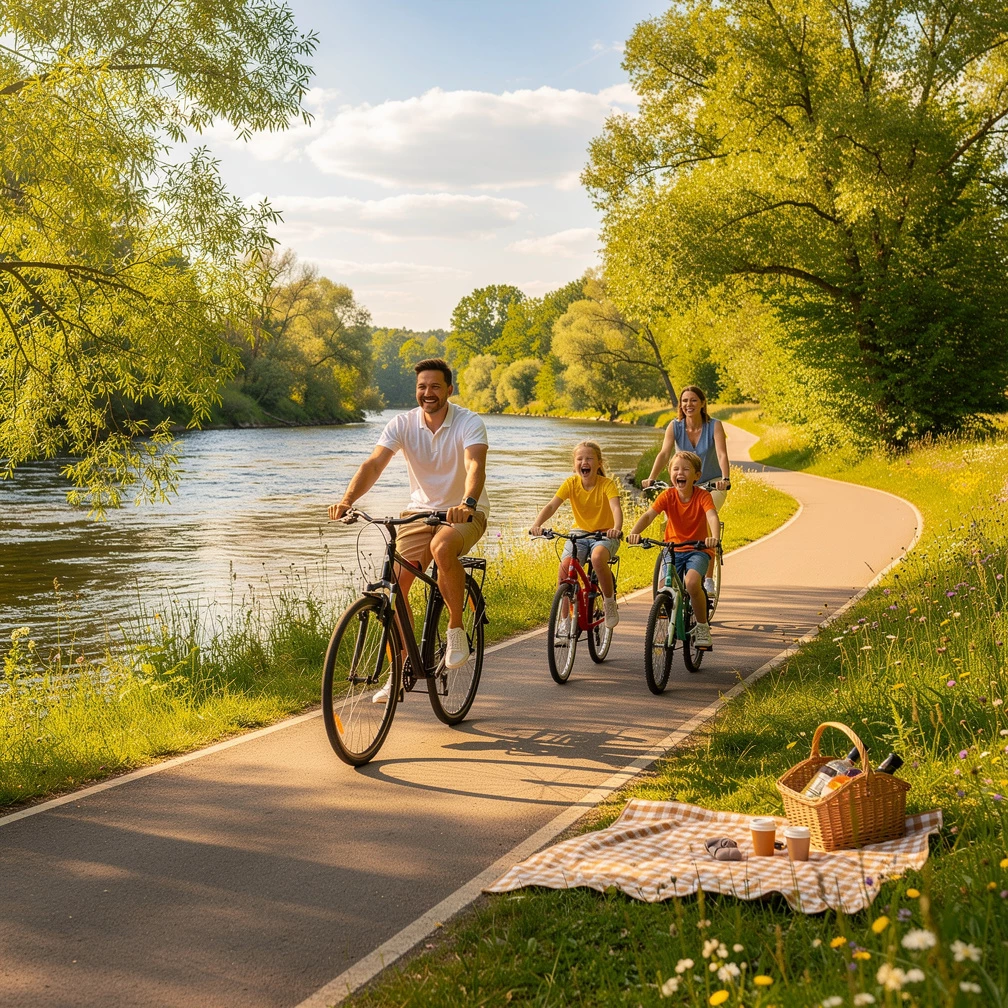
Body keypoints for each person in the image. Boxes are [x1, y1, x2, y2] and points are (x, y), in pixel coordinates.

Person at [329, 358, 488, 696]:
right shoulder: (402, 424)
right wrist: (347, 501)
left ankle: (456, 629)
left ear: (449, 389)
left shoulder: (469, 422)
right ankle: (400, 667)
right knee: (394, 588)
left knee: (443, 548)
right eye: (421, 387)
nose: (427, 393)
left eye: (434, 386)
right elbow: (373, 464)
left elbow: (475, 464)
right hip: (419, 513)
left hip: (464, 513)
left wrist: (467, 504)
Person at [628, 450, 720, 650]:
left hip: (698, 549)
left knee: (692, 582)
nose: (681, 472)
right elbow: (648, 515)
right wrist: (634, 533)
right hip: (673, 549)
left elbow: (712, 516)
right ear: (670, 473)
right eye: (676, 469)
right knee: (663, 588)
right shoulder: (667, 495)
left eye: (686, 469)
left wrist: (714, 537)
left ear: (696, 475)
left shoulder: (702, 496)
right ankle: (669, 617)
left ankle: (702, 626)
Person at [642, 385, 729, 595]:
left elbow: (721, 454)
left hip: (711, 483)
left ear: (702, 403)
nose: (688, 404)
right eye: (684, 401)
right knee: (670, 520)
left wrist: (725, 479)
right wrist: (652, 478)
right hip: (684, 483)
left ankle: (708, 578)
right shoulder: (675, 426)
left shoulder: (714, 426)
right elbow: (664, 454)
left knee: (704, 519)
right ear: (680, 405)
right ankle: (672, 566)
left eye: (693, 400)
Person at [529, 441, 623, 630]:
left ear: (599, 463)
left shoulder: (607, 484)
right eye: (580, 459)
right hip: (579, 533)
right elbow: (551, 506)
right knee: (565, 567)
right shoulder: (571, 483)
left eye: (589, 458)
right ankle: (564, 621)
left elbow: (615, 508)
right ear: (574, 465)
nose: (584, 462)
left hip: (605, 534)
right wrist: (537, 525)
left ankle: (609, 603)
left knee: (597, 558)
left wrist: (617, 528)